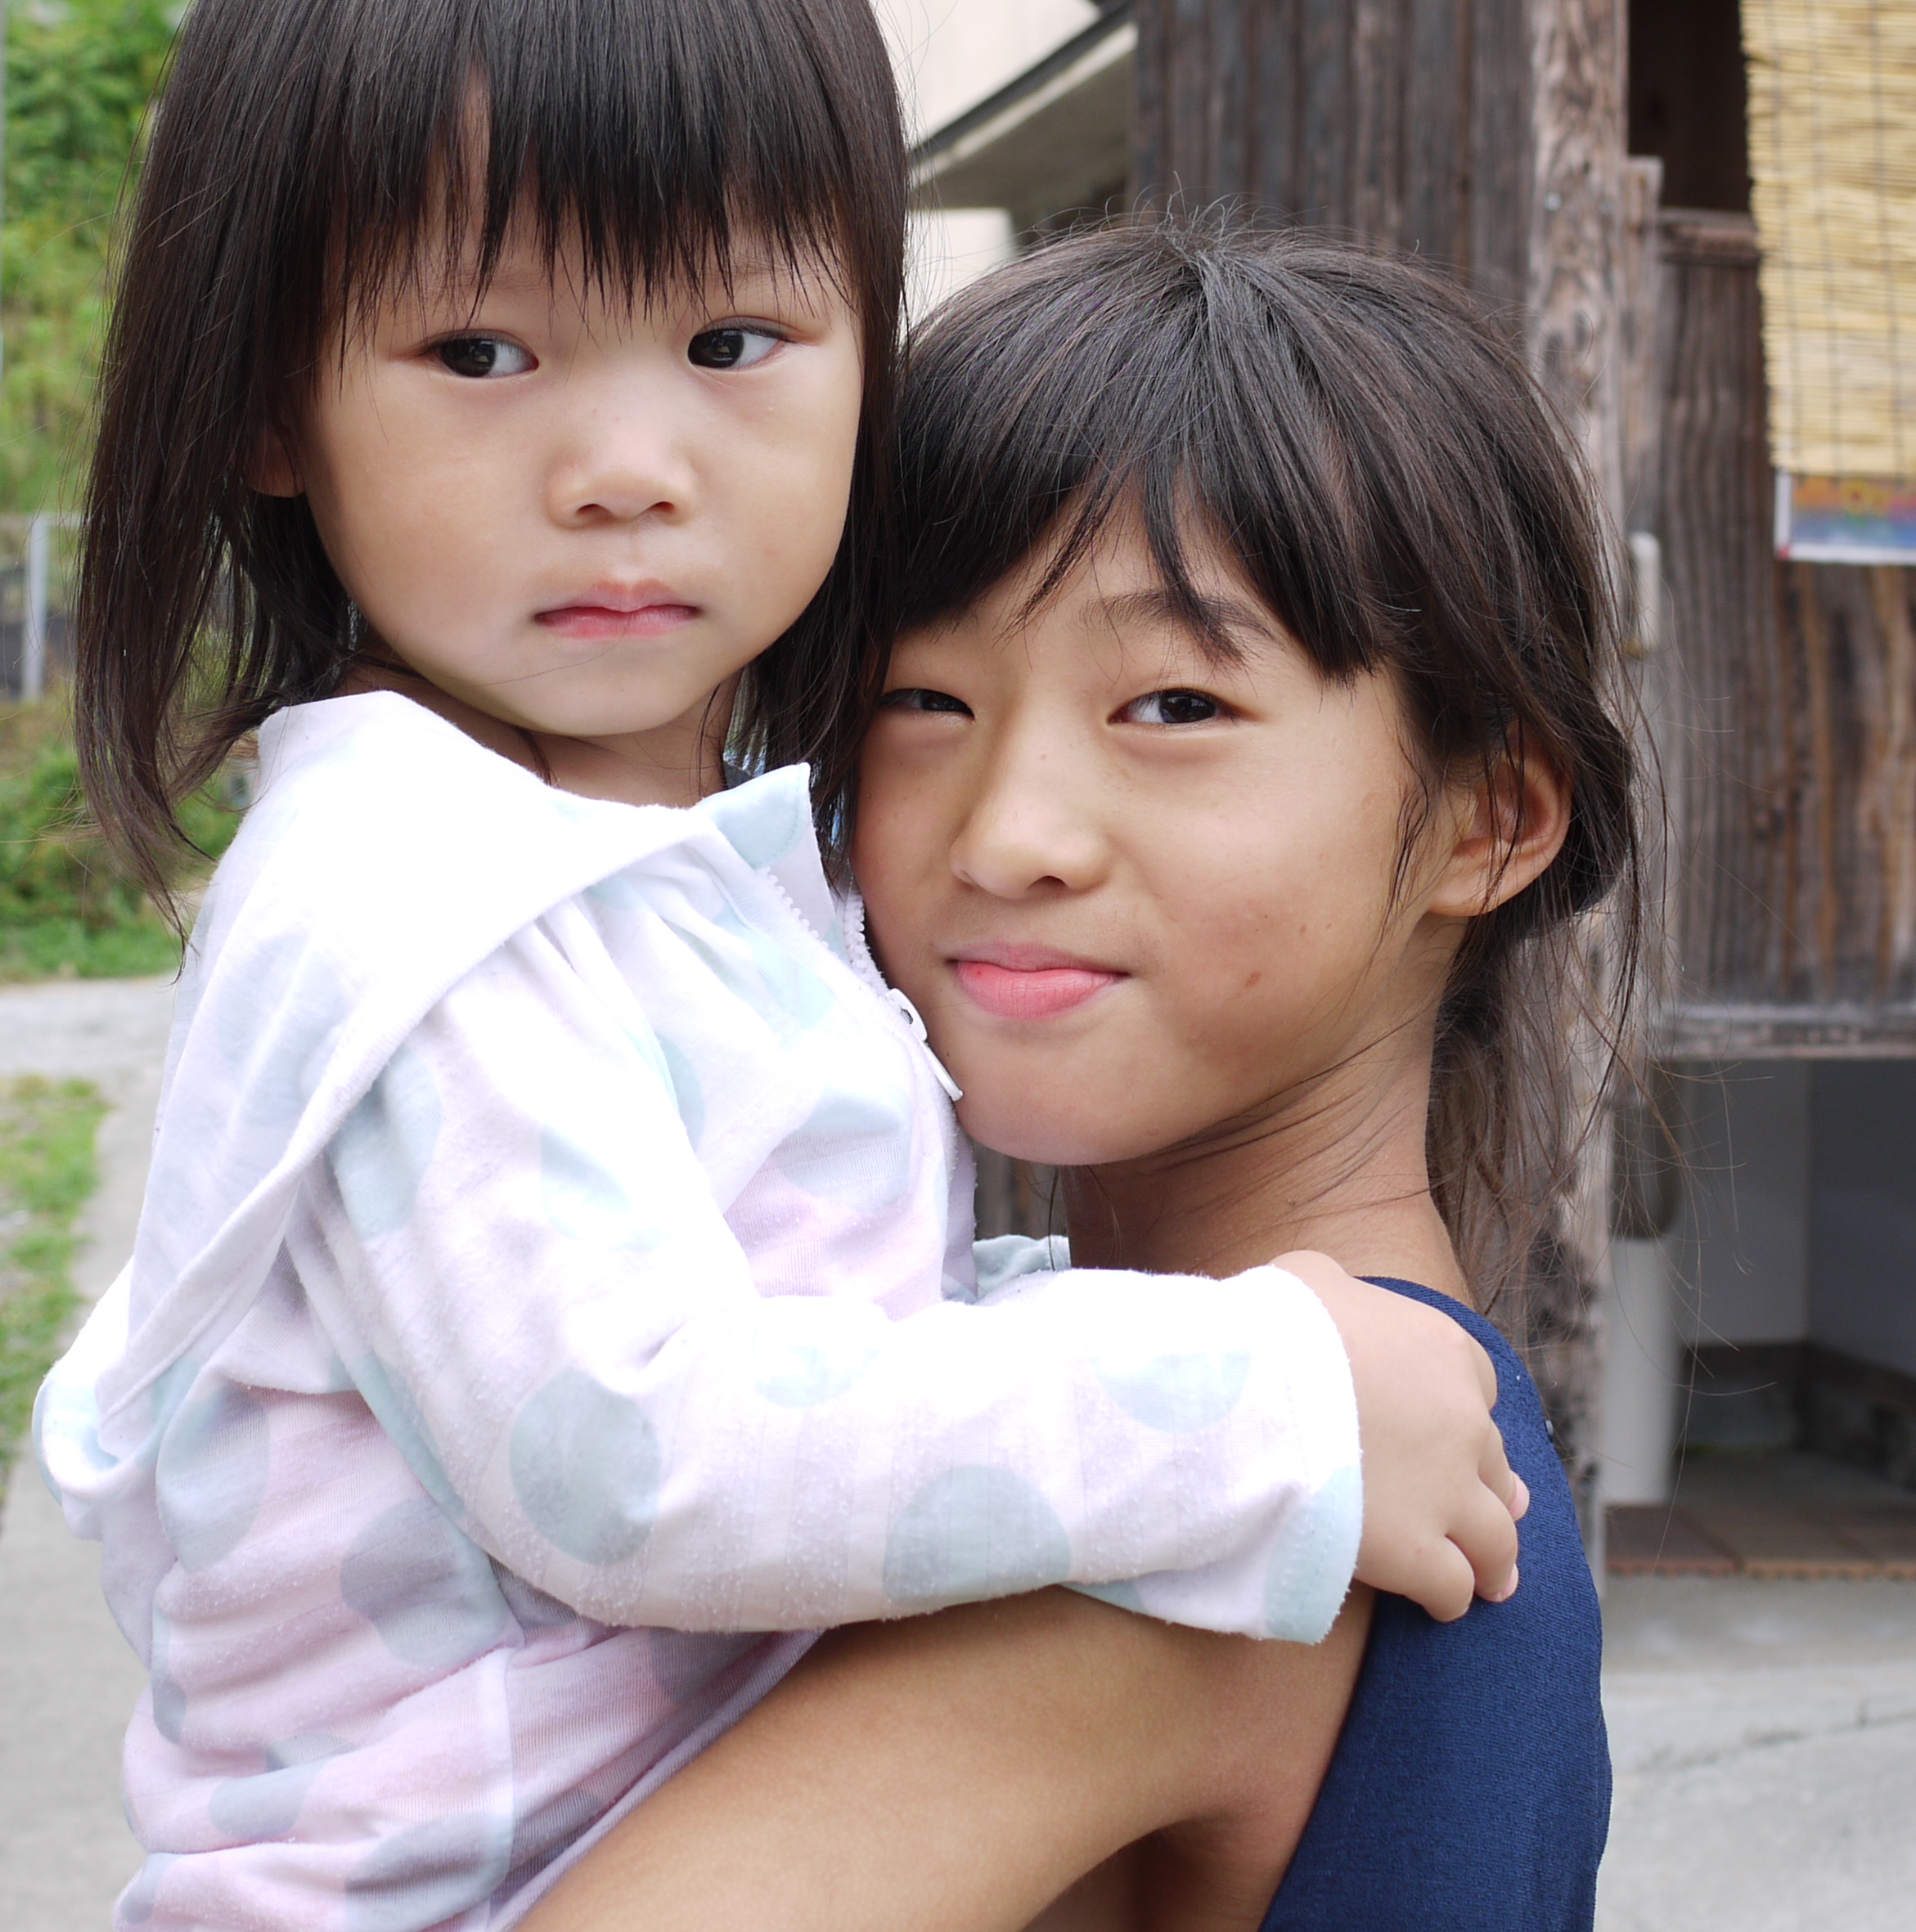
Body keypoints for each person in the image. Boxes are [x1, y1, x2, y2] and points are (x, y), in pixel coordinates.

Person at [34, 0, 1527, 1932]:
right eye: (479, 354)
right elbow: (628, 1451)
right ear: (272, 406)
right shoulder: (414, 894)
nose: (624, 469)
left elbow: (808, 1337)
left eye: (730, 344)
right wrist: (1240, 1396)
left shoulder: (672, 858)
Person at [528, 221, 1628, 1932]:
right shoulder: (1190, 1426)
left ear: (1489, 819)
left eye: (1175, 705)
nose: (1010, 834)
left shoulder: (1215, 1512)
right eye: (920, 696)